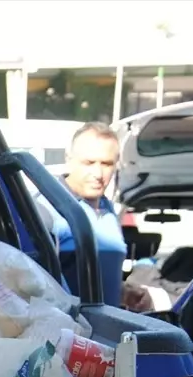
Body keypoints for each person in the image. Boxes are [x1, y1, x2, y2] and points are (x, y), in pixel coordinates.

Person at [36, 122, 149, 310]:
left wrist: (123, 291)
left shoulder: (108, 208)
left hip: (107, 331)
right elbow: (33, 284)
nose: (98, 174)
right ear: (69, 159)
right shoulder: (46, 209)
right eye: (89, 163)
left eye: (106, 164)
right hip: (69, 333)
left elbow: (96, 276)